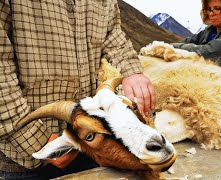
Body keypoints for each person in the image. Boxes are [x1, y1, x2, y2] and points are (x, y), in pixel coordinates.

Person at [0, 0, 155, 179]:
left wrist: (132, 72)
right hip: (27, 159)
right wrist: (37, 141)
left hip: (90, 145)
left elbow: (113, 36)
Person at [172, 0, 221, 75]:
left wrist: (169, 47)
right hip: (209, 78)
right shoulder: (210, 30)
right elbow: (188, 41)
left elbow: (206, 53)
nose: (211, 14)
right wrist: (169, 47)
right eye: (209, 9)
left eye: (217, 9)